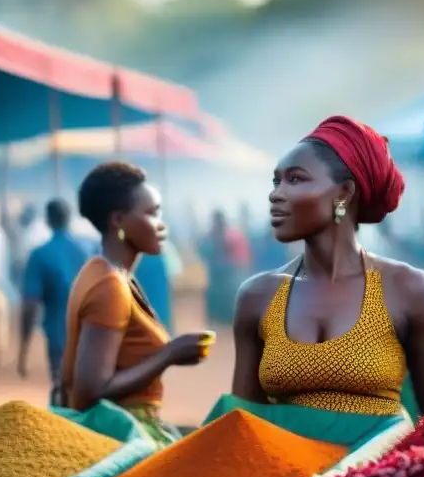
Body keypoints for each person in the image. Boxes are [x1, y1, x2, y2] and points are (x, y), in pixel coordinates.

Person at [232, 115, 424, 417]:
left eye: (295, 179)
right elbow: (243, 424)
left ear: (344, 193)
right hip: (286, 464)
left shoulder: (410, 290)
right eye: (277, 181)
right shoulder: (257, 296)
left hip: (380, 463)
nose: (276, 193)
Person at [61, 161, 210, 446]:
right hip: (123, 438)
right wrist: (169, 355)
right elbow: (89, 390)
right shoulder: (109, 285)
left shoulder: (108, 273)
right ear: (118, 220)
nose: (161, 224)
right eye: (152, 213)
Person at [18, 199, 91, 403]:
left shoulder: (40, 255)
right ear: (70, 219)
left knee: (63, 395)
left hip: (60, 337)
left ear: (48, 220)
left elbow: (30, 305)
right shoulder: (88, 251)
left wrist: (23, 349)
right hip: (93, 336)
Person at [199, 210, 251, 325]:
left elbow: (237, 254)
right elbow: (203, 250)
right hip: (218, 272)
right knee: (215, 295)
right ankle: (216, 319)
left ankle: (226, 319)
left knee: (228, 295)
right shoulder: (211, 235)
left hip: (227, 272)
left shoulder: (229, 235)